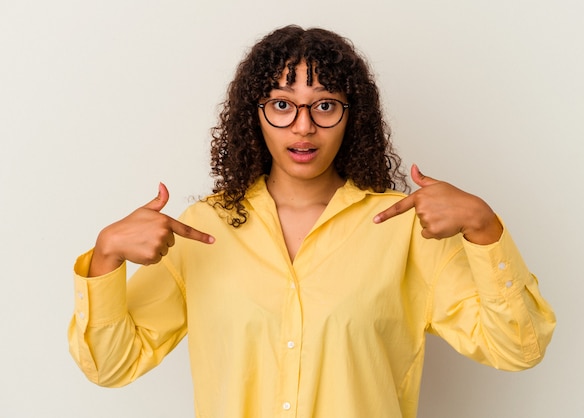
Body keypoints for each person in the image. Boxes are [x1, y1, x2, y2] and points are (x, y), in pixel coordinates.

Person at [68, 25, 556, 417]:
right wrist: (107, 257)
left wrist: (484, 229)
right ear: (253, 115)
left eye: (325, 105)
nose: (304, 126)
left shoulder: (405, 229)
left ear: (352, 115)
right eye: (282, 104)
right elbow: (112, 367)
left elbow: (517, 349)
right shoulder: (203, 229)